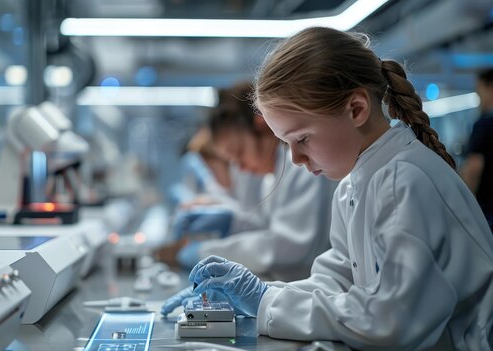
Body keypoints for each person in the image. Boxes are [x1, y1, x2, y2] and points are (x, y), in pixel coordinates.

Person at [164, 27, 493, 350]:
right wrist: (259, 298)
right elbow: (335, 282)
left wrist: (266, 303)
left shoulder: (402, 181)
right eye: (286, 143)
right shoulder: (354, 184)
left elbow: (390, 322)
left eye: (302, 139)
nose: (293, 159)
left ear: (356, 110)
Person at [160, 81, 339, 313]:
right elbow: (265, 228)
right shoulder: (271, 176)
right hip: (295, 293)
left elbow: (288, 246)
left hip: (305, 295)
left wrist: (208, 253)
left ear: (262, 126)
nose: (241, 168)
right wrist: (231, 219)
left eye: (239, 154)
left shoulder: (299, 167)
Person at [461, 68, 493, 229]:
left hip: (487, 212)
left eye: (479, 90)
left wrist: (463, 208)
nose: (478, 97)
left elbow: (474, 167)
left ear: (490, 88)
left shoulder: (484, 124)